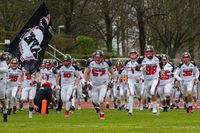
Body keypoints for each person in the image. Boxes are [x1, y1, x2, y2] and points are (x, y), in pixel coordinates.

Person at [83, 50, 114, 119]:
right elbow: (86, 73)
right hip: (94, 84)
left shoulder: (107, 63)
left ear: (102, 57)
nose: (97, 59)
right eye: (96, 57)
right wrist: (86, 81)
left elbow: (112, 72)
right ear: (93, 57)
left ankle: (102, 114)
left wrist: (111, 81)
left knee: (101, 99)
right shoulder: (90, 62)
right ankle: (99, 108)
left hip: (103, 84)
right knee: (94, 101)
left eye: (99, 57)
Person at [136, 45, 162, 114]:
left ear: (153, 52)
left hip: (155, 78)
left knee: (153, 91)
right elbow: (136, 68)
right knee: (149, 94)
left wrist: (161, 71)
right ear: (145, 52)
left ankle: (154, 108)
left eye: (150, 51)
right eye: (147, 51)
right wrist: (142, 68)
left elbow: (161, 64)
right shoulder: (141, 59)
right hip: (146, 80)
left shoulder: (157, 58)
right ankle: (155, 104)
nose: (149, 53)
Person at [124, 49, 143, 115]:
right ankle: (131, 110)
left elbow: (144, 72)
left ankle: (140, 102)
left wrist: (140, 78)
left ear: (136, 55)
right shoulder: (127, 63)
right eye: (131, 53)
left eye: (134, 53)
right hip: (130, 80)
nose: (132, 55)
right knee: (131, 94)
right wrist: (126, 80)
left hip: (138, 80)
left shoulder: (139, 62)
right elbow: (126, 72)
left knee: (139, 95)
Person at [0, 52, 9, 122]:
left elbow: (5, 70)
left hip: (1, 81)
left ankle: (5, 112)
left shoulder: (2, 61)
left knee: (2, 99)